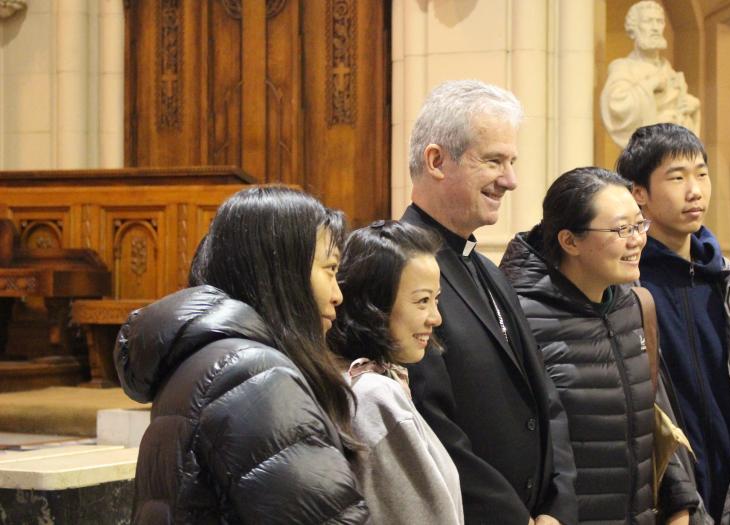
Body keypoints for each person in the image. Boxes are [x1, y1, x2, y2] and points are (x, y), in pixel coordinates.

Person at [114, 186, 369, 524]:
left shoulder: (208, 363)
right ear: (283, 273)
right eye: (330, 269)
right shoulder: (255, 379)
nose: (337, 295)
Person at [401, 79, 577, 525]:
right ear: (437, 161)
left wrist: (557, 506)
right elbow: (428, 422)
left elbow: (545, 399)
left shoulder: (490, 271)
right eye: (494, 160)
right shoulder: (397, 272)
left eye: (512, 161)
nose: (511, 180)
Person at [615, 123, 730, 524]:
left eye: (701, 173)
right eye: (677, 178)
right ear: (638, 193)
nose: (695, 190)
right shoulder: (626, 287)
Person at [500, 167, 699, 525]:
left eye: (640, 225)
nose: (637, 240)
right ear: (569, 241)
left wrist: (680, 504)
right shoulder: (517, 318)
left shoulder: (635, 306)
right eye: (622, 229)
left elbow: (652, 422)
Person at [327, 220, 463, 525]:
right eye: (422, 301)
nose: (435, 318)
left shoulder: (370, 382)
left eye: (436, 299)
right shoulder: (374, 395)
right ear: (374, 303)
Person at [600, 0, 700, 149]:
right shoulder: (623, 68)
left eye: (659, 22)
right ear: (634, 28)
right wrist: (649, 85)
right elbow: (617, 106)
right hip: (646, 157)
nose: (655, 28)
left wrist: (693, 109)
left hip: (673, 153)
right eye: (648, 21)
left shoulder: (670, 72)